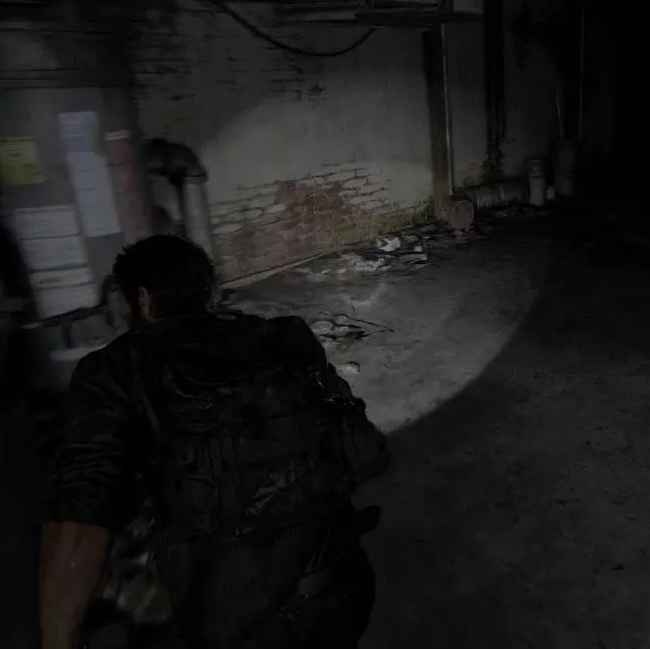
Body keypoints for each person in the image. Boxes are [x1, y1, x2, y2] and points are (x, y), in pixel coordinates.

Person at [39, 234, 389, 649]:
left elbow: (79, 524)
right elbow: (364, 449)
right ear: (207, 290)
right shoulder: (285, 335)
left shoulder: (114, 368)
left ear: (142, 300)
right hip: (343, 590)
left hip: (238, 626)